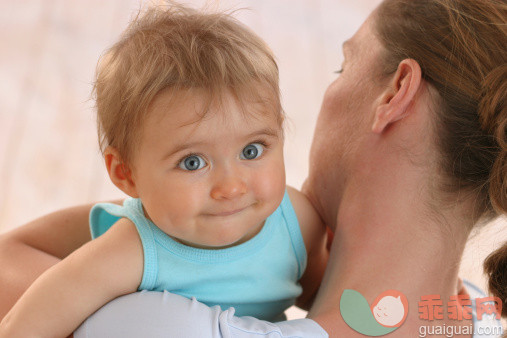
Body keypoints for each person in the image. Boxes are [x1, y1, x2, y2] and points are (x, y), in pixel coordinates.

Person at [0, 0, 505, 336]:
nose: (232, 185)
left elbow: (12, 259)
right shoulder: (483, 317)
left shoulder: (156, 323)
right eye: (193, 160)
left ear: (396, 94)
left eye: (343, 66)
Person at [0, 4, 329, 337]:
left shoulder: (297, 220)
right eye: (192, 162)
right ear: (126, 174)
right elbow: (24, 326)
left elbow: (323, 298)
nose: (231, 187)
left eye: (251, 151)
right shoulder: (131, 252)